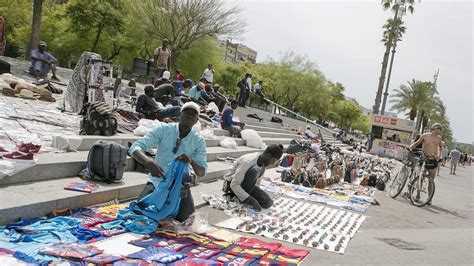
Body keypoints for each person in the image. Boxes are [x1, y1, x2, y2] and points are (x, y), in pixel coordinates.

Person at [129, 102, 207, 222]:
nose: (189, 116)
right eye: (186, 112)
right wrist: (149, 162)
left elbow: (201, 172)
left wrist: (191, 161)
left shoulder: (198, 140)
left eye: (193, 114)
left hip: (179, 187)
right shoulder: (164, 129)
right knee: (140, 213)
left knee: (187, 221)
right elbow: (135, 147)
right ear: (180, 114)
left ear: (197, 120)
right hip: (158, 181)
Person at [222, 144, 284, 211]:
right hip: (232, 185)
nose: (272, 164)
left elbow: (256, 183)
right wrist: (252, 200)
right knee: (255, 170)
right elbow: (234, 184)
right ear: (268, 155)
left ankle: (243, 196)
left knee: (268, 202)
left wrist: (255, 197)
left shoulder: (263, 164)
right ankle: (236, 196)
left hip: (247, 186)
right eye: (273, 161)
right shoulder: (248, 161)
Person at [409, 123, 444, 202]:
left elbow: (440, 148)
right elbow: (417, 143)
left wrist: (439, 155)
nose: (440, 131)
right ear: (435, 128)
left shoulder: (439, 138)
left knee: (431, 180)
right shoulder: (425, 136)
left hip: (433, 160)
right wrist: (410, 147)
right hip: (424, 158)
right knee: (420, 178)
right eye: (439, 129)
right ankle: (418, 195)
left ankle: (429, 198)